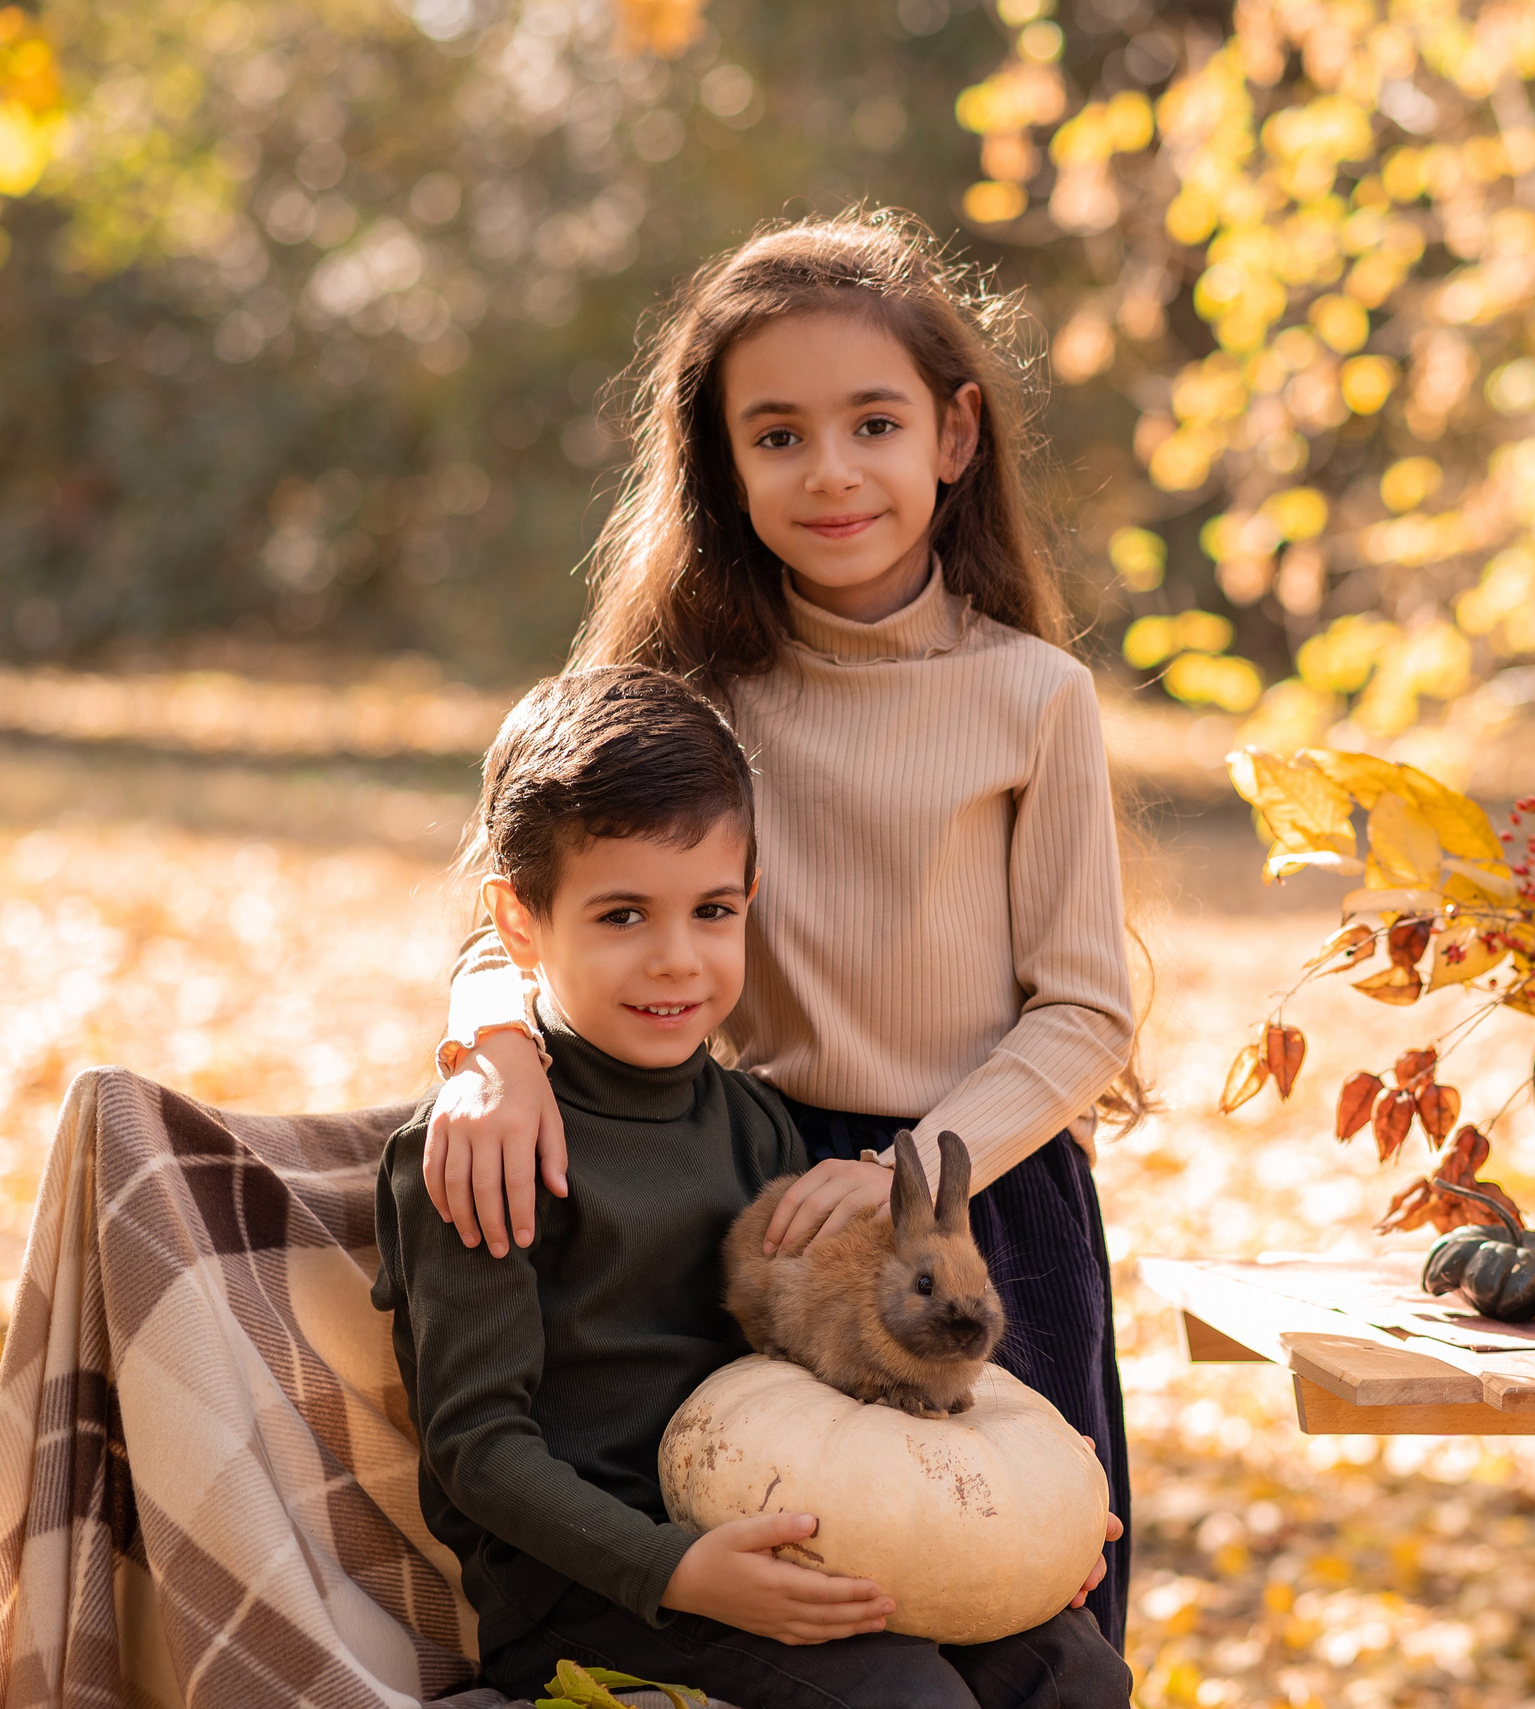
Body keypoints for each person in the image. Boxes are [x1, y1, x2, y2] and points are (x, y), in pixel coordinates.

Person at [415, 211, 1142, 1644]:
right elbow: (515, 908)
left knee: (1018, 1603)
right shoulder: (687, 692)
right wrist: (487, 1044)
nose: (830, 471)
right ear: (721, 462)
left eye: (872, 421)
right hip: (744, 1195)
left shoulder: (1035, 696)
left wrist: (907, 1176)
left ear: (954, 434)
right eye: (776, 435)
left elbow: (1086, 1012)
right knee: (807, 1601)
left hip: (972, 1202)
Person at [373, 666, 1130, 1707]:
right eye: (623, 914)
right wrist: (676, 1570)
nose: (677, 959)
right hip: (597, 1592)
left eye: (712, 909)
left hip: (793, 1514)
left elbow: (836, 1347)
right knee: (905, 1697)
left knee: (1070, 1664)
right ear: (518, 922)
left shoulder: (753, 1120)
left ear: (750, 903)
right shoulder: (482, 1151)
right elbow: (478, 1446)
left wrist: (1032, 1503)